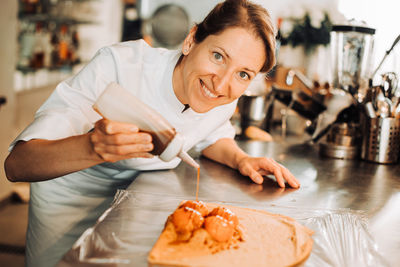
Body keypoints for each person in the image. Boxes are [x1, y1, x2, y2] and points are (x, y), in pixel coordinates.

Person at [5, 0, 300, 266]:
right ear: (190, 40)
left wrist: (239, 160)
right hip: (66, 213)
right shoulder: (120, 66)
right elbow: (17, 164)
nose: (222, 85)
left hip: (133, 212)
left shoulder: (223, 98)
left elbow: (210, 134)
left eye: (243, 74)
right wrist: (94, 147)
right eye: (218, 56)